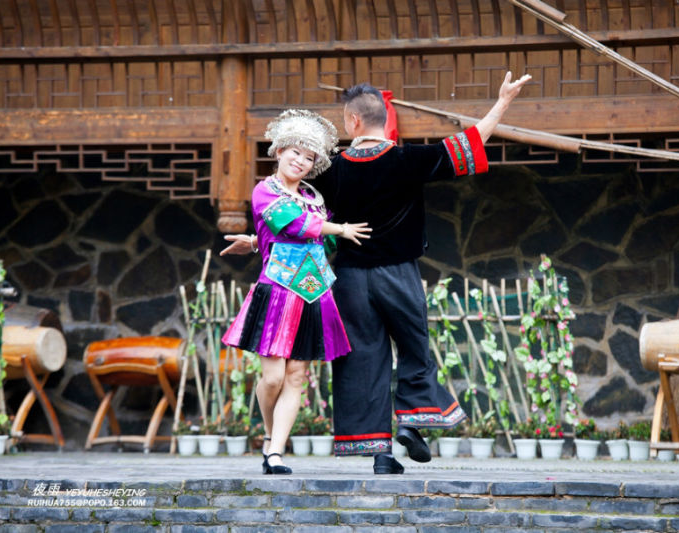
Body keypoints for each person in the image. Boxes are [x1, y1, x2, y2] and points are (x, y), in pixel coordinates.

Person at [223, 71, 531, 474]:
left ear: (352, 122)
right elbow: (471, 143)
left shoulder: (329, 173)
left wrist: (257, 238)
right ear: (386, 119)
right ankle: (413, 423)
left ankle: (379, 453)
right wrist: (503, 102)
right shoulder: (407, 160)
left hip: (349, 280)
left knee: (363, 362)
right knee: (414, 347)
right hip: (398, 273)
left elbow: (297, 214)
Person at [221, 109, 370, 475]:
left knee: (297, 375)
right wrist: (340, 228)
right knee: (272, 377)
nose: (301, 161)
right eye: (296, 152)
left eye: (309, 157)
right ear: (279, 150)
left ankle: (275, 453)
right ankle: (271, 437)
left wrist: (258, 241)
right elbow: (295, 224)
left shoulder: (315, 197)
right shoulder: (264, 190)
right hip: (277, 291)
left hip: (314, 292)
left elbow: (316, 241)